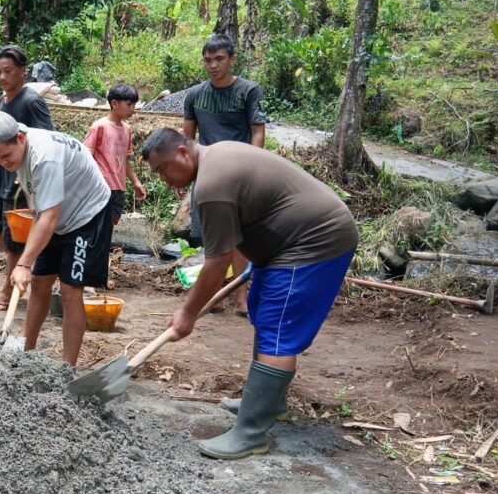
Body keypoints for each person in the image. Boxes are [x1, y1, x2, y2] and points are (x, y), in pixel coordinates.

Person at [140, 128, 357, 460]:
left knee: (277, 327)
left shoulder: (211, 185)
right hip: (289, 243)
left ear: (183, 153)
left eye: (163, 169)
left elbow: (216, 264)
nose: (165, 179)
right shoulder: (216, 156)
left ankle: (251, 433)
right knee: (263, 309)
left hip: (313, 242)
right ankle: (267, 400)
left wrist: (186, 313)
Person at [0, 112, 111, 367]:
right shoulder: (17, 147)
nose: (3, 163)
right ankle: (27, 354)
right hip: (54, 215)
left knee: (71, 290)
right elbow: (40, 207)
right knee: (39, 283)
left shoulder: (44, 157)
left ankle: (66, 368)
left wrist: (24, 263)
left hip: (87, 215)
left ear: (20, 137)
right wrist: (29, 258)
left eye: (6, 156)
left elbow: (49, 217)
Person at [183, 33, 267, 315]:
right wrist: (189, 176)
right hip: (207, 174)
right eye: (208, 60)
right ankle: (216, 295)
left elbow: (257, 133)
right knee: (212, 239)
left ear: (232, 59)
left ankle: (241, 297)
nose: (213, 65)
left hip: (239, 174)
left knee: (240, 239)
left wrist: (251, 167)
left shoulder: (248, 91)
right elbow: (187, 141)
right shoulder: (195, 95)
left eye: (219, 59)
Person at [0, 45, 54, 312]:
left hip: (20, 183)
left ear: (22, 72)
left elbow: (47, 140)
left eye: (8, 71)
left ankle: (7, 292)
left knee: (14, 239)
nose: (3, 77)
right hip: (2, 178)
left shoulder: (31, 102)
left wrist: (29, 175)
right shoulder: (3, 101)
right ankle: (25, 259)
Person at [83, 83, 148, 288]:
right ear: (114, 104)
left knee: (106, 234)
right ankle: (90, 277)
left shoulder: (126, 129)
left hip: (118, 189)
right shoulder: (99, 127)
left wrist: (136, 182)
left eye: (134, 105)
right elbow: (85, 156)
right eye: (129, 105)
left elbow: (125, 160)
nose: (132, 109)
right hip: (100, 189)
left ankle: (97, 274)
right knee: (96, 233)